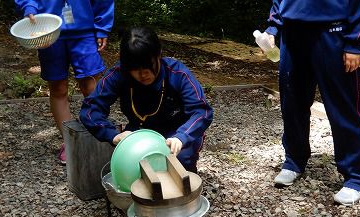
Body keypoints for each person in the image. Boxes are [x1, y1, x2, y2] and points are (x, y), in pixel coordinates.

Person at [264, 0, 360, 205]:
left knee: (344, 107)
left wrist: (354, 41)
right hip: (292, 33)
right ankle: (294, 160)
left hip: (334, 32)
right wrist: (273, 27)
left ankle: (356, 177)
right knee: (292, 102)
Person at [79, 27, 213, 173]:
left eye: (148, 67)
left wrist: (182, 137)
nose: (143, 74)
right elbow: (90, 109)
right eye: (135, 69)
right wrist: (114, 135)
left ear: (159, 55)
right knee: (131, 167)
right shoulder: (119, 74)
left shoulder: (177, 74)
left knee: (178, 163)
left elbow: (201, 111)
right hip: (140, 132)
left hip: (176, 133)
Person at [14, 0, 114, 165]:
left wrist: (102, 26)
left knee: (90, 85)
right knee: (58, 88)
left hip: (85, 30)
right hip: (47, 29)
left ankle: (99, 135)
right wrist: (29, 6)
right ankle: (70, 142)